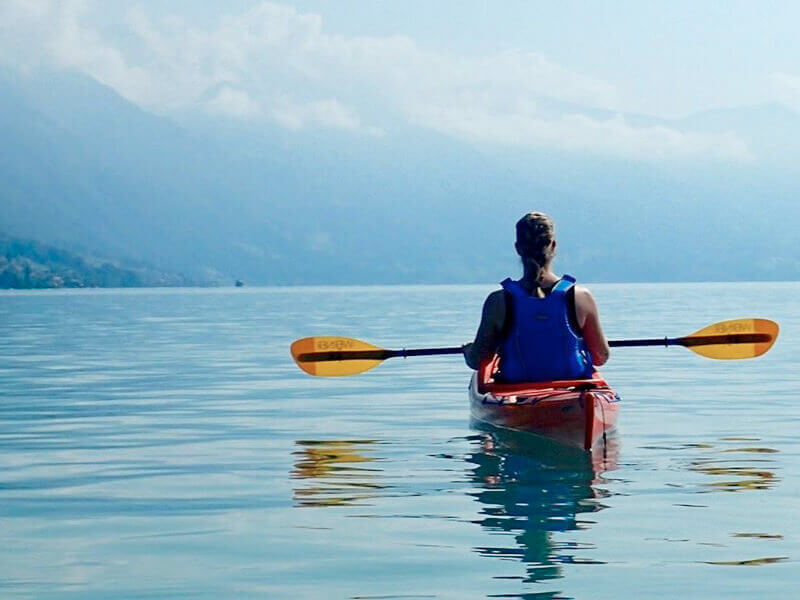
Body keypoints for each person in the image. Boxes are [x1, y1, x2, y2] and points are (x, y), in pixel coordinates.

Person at [463, 212, 610, 382]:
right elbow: (601, 357)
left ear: (518, 248)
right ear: (553, 246)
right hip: (572, 390)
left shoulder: (498, 301)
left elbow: (477, 361)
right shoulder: (580, 297)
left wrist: (468, 352)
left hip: (517, 394)